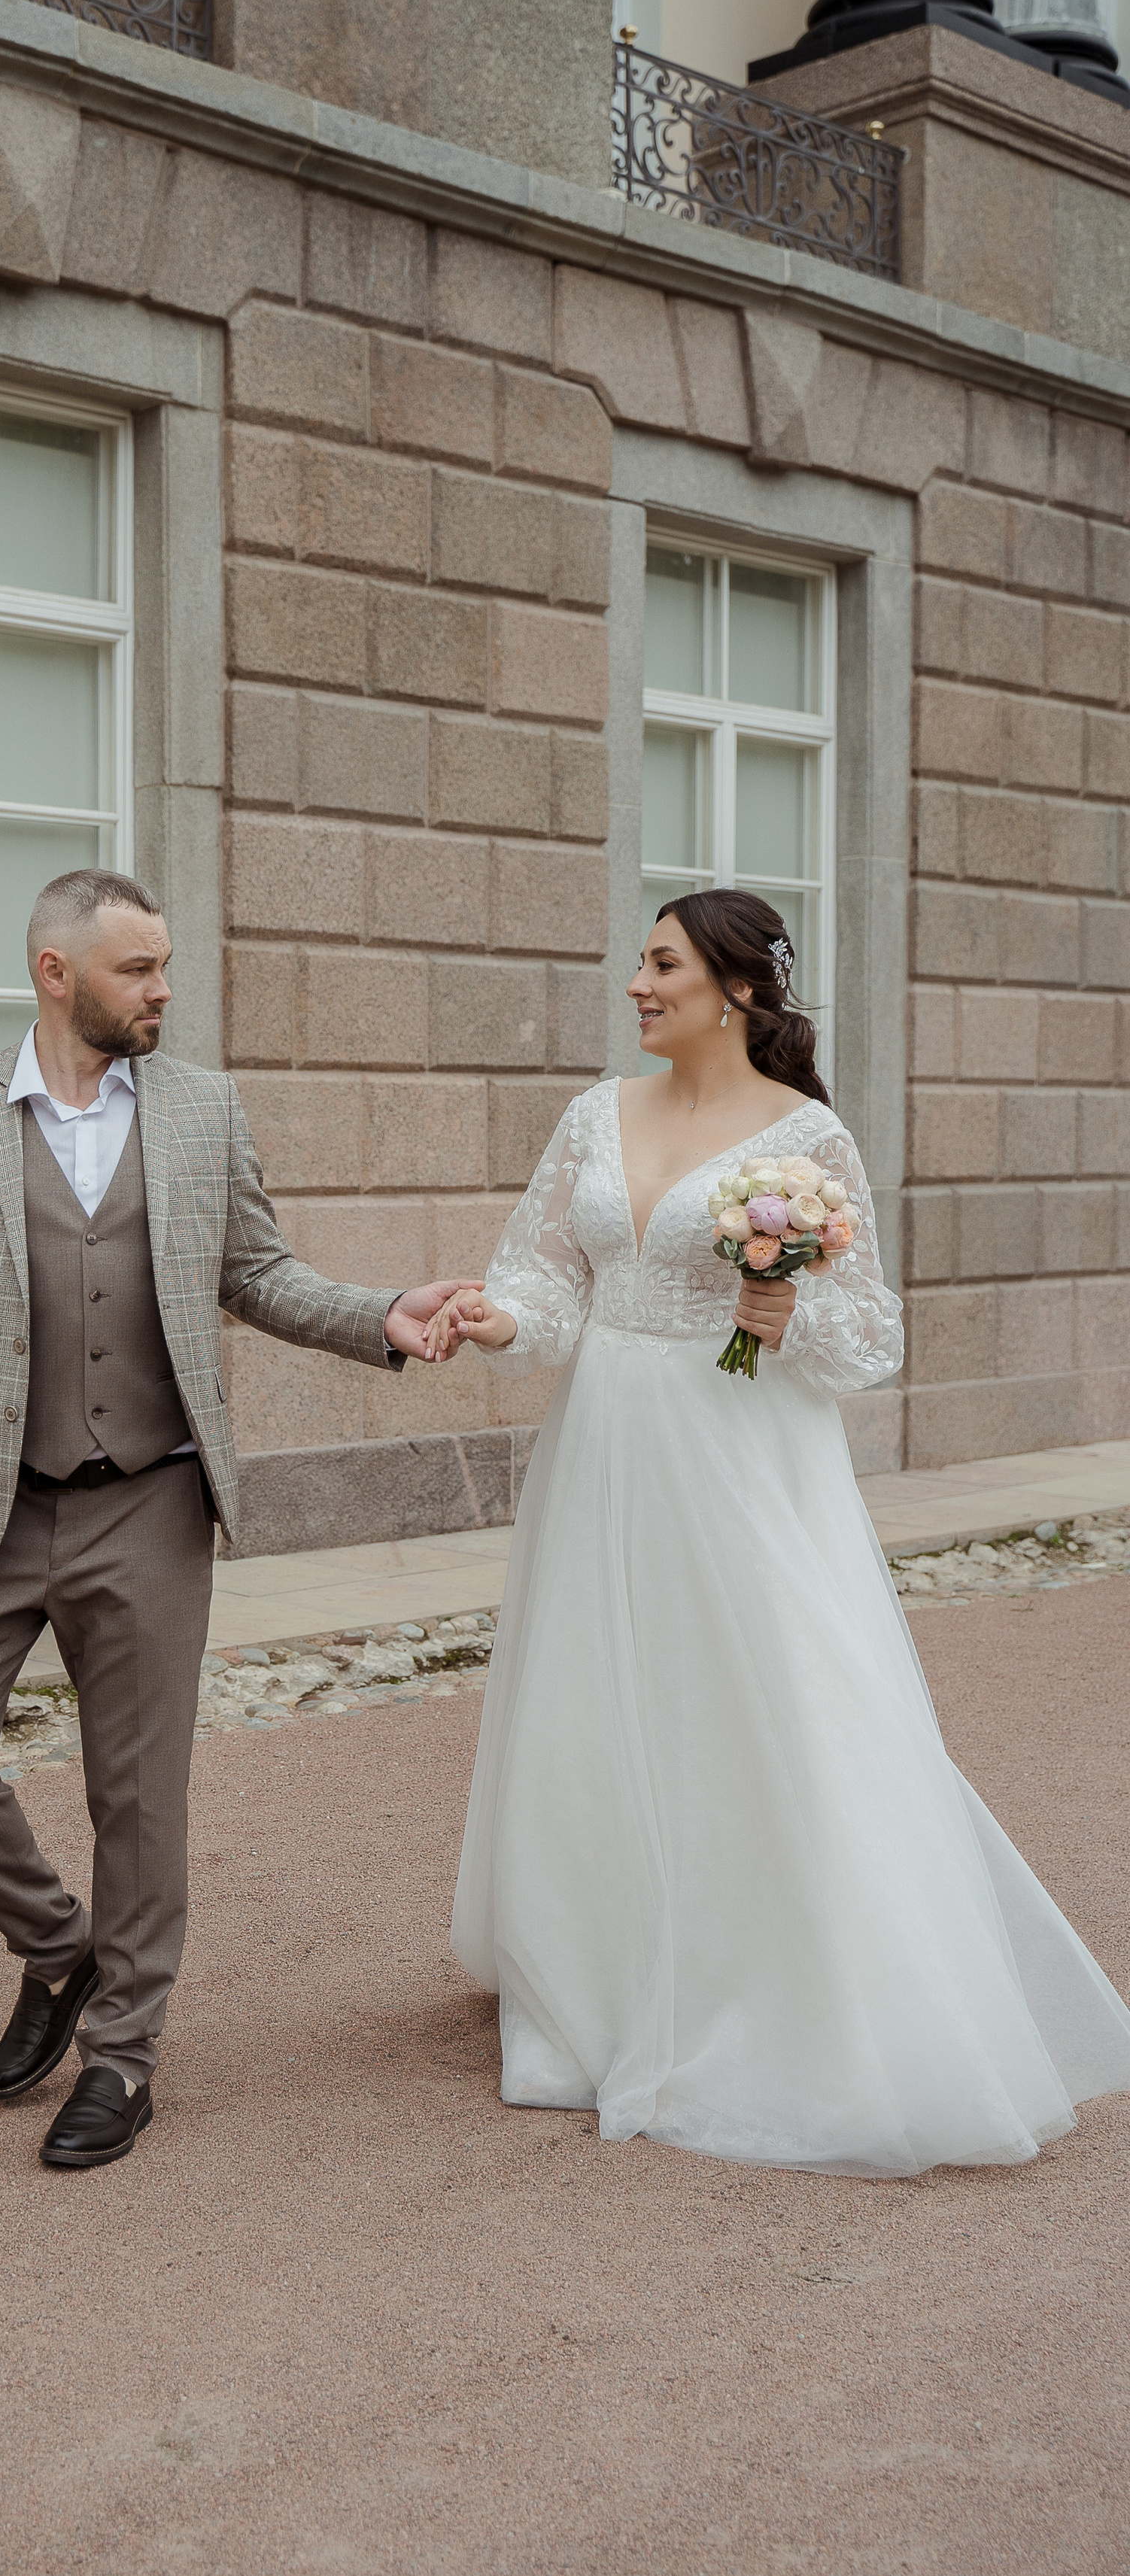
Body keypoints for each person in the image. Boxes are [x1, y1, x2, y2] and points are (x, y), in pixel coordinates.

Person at [0, 869, 468, 2170]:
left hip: (148, 1502)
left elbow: (255, 1273)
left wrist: (380, 1315)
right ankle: (59, 1949)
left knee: (138, 1796)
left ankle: (126, 2057)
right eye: (139, 970)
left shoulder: (202, 1110)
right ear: (57, 974)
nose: (162, 991)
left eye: (163, 967)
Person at [431, 887, 1130, 2177]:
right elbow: (548, 1282)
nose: (637, 986)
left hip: (738, 1453)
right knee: (592, 1696)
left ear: (737, 988)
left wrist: (779, 1314)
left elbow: (872, 1333)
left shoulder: (805, 1138)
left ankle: (770, 1978)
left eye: (661, 966)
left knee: (761, 1698)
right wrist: (497, 1320)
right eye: (639, 964)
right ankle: (596, 1976)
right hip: (603, 1448)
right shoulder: (595, 1113)